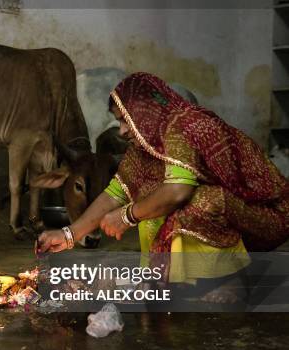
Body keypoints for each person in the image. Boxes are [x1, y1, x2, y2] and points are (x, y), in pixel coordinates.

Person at [38, 72, 288, 304]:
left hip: (268, 214)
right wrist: (69, 234)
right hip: (234, 216)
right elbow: (116, 192)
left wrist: (127, 216)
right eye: (119, 122)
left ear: (145, 111)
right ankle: (170, 281)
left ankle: (229, 280)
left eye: (125, 120)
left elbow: (177, 191)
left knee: (196, 201)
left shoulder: (184, 126)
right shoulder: (145, 147)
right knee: (149, 199)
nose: (122, 131)